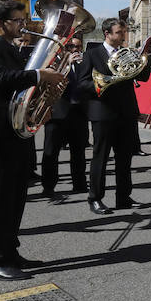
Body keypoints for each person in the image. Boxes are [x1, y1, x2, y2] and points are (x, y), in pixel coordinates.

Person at [0, 0, 66, 280]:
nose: (23, 26)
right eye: (17, 21)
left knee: (15, 197)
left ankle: (10, 252)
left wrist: (39, 110)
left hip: (14, 130)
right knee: (0, 199)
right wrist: (41, 74)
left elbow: (19, 91)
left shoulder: (9, 47)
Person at [80, 18, 150, 215]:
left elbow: (143, 78)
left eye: (124, 32)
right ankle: (95, 198)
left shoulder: (126, 54)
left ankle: (123, 197)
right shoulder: (92, 55)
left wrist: (143, 60)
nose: (123, 36)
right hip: (103, 112)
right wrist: (105, 83)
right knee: (100, 157)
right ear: (107, 34)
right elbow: (82, 83)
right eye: (119, 32)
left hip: (126, 111)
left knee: (124, 158)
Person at [41, 36, 89, 199]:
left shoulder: (84, 65)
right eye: (71, 47)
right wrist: (66, 65)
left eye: (78, 47)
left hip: (79, 112)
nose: (75, 50)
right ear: (64, 48)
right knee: (51, 151)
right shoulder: (54, 64)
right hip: (58, 113)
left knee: (79, 151)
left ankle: (80, 183)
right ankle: (48, 186)